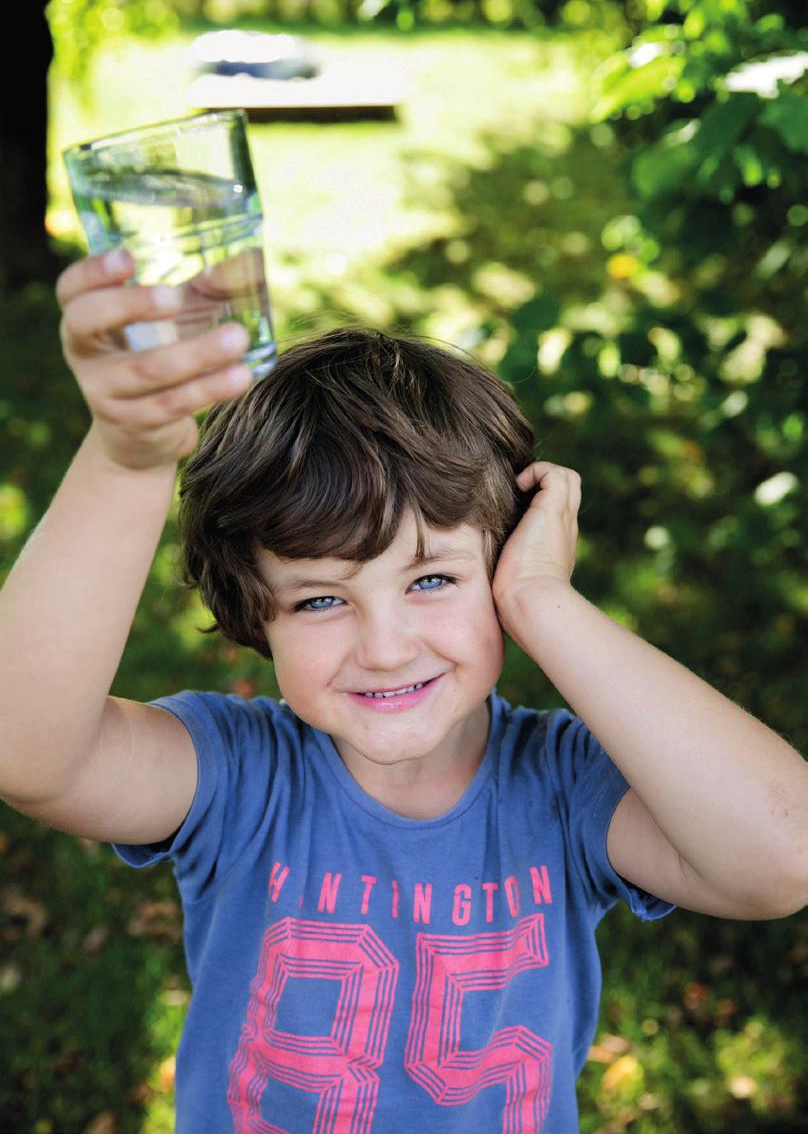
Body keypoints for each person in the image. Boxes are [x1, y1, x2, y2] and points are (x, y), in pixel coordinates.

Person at [1, 248, 807, 1133]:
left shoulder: (566, 785)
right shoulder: (241, 778)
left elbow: (782, 855)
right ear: (253, 613)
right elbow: (25, 747)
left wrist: (544, 603)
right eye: (319, 598)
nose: (384, 648)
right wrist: (127, 461)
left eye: (431, 580)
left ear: (503, 569)